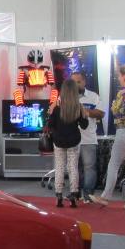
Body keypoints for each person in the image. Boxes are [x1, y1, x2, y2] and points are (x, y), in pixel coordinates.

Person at [92, 66, 125, 206]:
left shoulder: (122, 94)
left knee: (114, 164)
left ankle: (105, 197)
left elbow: (119, 114)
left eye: (120, 76)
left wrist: (113, 106)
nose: (119, 79)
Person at [48, 78, 88, 207]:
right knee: (73, 168)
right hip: (73, 141)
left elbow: (50, 125)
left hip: (59, 141)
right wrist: (84, 114)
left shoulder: (56, 106)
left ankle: (59, 195)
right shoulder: (78, 107)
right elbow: (84, 125)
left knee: (59, 167)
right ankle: (74, 195)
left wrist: (51, 112)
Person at [71, 72, 105, 204]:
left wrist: (85, 112)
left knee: (89, 167)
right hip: (71, 139)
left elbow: (101, 113)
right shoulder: (66, 96)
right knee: (74, 168)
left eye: (78, 82)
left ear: (84, 82)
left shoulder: (93, 96)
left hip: (88, 138)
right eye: (73, 82)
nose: (76, 85)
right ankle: (75, 193)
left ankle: (88, 195)